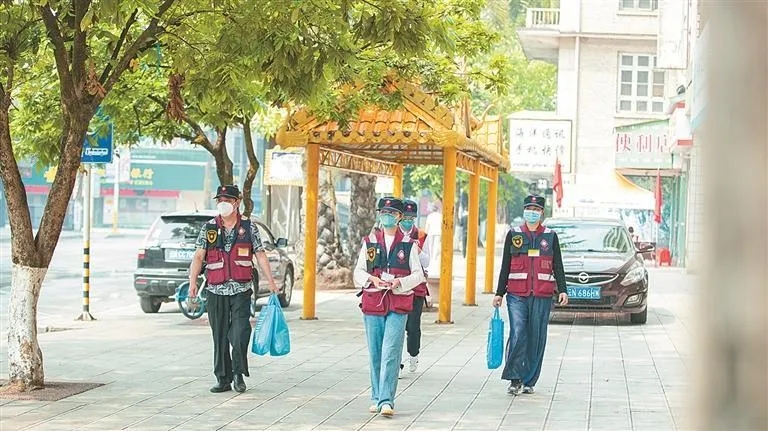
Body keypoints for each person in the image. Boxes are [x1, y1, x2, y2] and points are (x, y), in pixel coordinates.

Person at [188, 185, 280, 394]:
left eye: (227, 200)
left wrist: (271, 282)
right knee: (219, 336)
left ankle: (238, 374)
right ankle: (223, 379)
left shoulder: (249, 227)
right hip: (216, 291)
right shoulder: (209, 228)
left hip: (241, 290)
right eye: (220, 200)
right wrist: (193, 282)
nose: (223, 203)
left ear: (236, 203)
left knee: (239, 333)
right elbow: (199, 256)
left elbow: (260, 255)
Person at [353, 197, 426, 417]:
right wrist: (372, 280)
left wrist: (399, 282)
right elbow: (358, 272)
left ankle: (386, 400)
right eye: (384, 213)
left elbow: (419, 275)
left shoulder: (408, 244)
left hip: (398, 304)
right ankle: (376, 397)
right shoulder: (370, 242)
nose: (387, 216)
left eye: (392, 213)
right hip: (373, 303)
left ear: (399, 217)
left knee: (391, 352)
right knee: (376, 353)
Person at [492, 194, 568, 396]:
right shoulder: (514, 234)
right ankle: (515, 378)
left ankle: (529, 379)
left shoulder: (550, 236)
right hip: (516, 294)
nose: (531, 212)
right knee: (518, 332)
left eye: (536, 210)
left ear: (542, 213)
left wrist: (563, 289)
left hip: (542, 295)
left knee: (536, 336)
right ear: (524, 211)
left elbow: (558, 265)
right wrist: (499, 293)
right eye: (528, 209)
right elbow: (506, 265)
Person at [398, 199, 430, 375]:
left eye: (411, 217)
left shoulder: (421, 235)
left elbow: (427, 262)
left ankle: (413, 354)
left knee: (413, 326)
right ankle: (397, 362)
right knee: (396, 326)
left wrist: (417, 250)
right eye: (405, 217)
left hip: (416, 288)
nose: (408, 221)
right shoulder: (393, 233)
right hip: (396, 287)